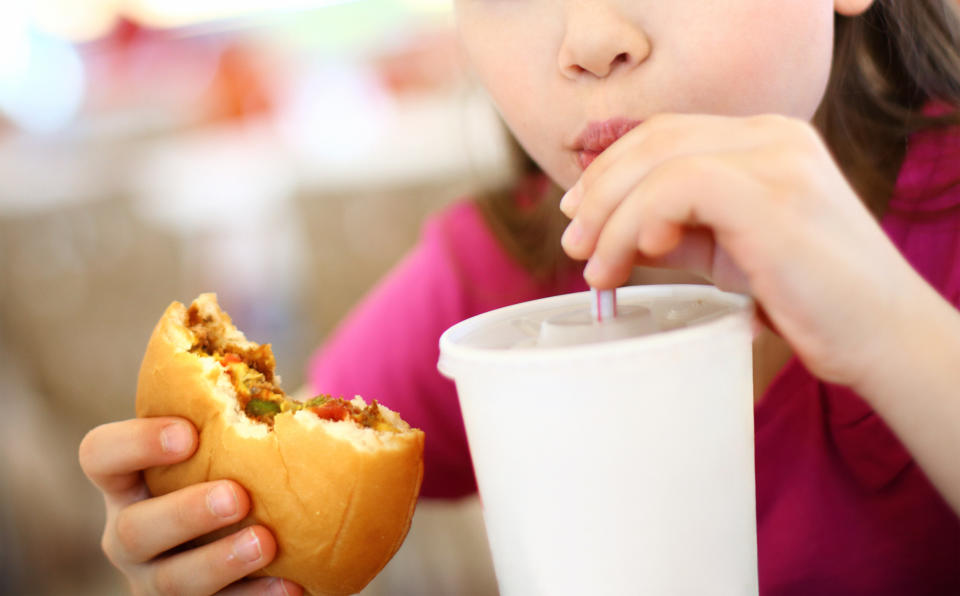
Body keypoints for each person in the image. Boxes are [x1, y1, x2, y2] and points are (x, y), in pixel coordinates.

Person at [79, 0, 960, 593]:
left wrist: (887, 322)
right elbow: (293, 469)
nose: (588, 40)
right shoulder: (489, 281)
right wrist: (205, 534)